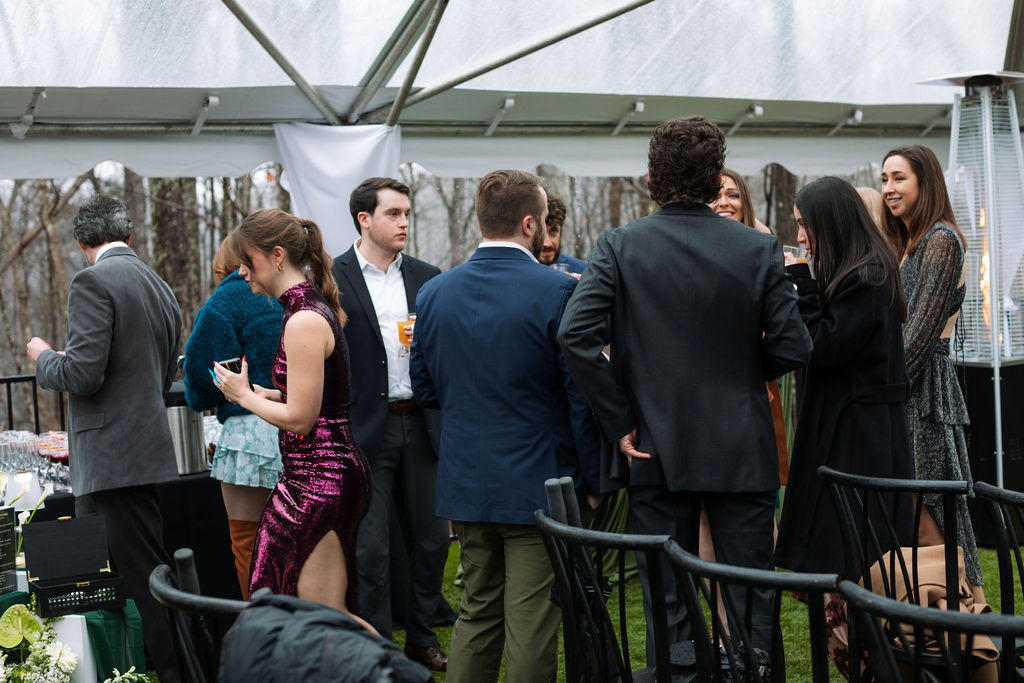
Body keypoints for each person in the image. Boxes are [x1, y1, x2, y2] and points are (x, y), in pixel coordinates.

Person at [558, 116, 812, 663]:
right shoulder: (755, 248)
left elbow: (575, 336)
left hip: (653, 441)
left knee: (668, 604)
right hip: (741, 442)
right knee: (750, 601)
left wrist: (620, 419)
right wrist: (746, 372)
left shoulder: (620, 245)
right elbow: (793, 346)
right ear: (714, 175)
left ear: (653, 175)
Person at [410, 169, 601, 683]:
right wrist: (594, 484)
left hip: (467, 482)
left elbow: (425, 389)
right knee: (532, 619)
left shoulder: (432, 294)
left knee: (477, 609)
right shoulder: (559, 291)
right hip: (539, 483)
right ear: (528, 223)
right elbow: (580, 399)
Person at [26, 194, 183, 683]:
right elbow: (158, 377)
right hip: (146, 452)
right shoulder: (159, 286)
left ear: (80, 243)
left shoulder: (92, 280)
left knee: (136, 583)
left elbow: (83, 372)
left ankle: (182, 672)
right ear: (129, 237)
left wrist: (43, 357)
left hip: (113, 461)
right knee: (146, 576)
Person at [213, 209, 373, 628]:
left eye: (248, 261)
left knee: (325, 619)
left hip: (321, 482)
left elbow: (302, 420)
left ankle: (389, 672)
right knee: (303, 611)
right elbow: (314, 400)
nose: (243, 272)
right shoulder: (302, 310)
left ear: (278, 256)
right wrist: (268, 393)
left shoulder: (303, 319)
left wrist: (244, 396)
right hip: (308, 478)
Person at [330, 177, 449, 671]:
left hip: (422, 424)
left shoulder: (428, 276)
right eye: (394, 214)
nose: (404, 222)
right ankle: (379, 649)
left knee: (432, 539)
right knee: (372, 550)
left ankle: (421, 636)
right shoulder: (333, 276)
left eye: (406, 213)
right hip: (366, 428)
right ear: (365, 219)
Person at [775, 176, 913, 575]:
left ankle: (861, 632)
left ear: (830, 222)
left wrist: (800, 281)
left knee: (856, 547)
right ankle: (850, 629)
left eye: (805, 225)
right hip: (858, 427)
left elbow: (822, 346)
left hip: (859, 435)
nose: (801, 237)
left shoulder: (867, 276)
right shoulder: (862, 270)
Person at [881, 144, 982, 587]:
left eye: (899, 178)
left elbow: (918, 339)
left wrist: (876, 386)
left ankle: (963, 630)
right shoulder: (912, 242)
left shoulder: (941, 239)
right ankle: (934, 632)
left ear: (926, 182)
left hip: (924, 393)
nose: (888, 188)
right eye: (885, 179)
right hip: (909, 391)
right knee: (918, 515)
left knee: (932, 519)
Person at [184, 236, 283, 598]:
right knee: (300, 541)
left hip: (249, 432)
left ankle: (266, 637)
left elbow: (200, 371)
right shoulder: (295, 290)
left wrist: (201, 398)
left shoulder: (224, 301)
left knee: (249, 543)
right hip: (299, 422)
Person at [710, 168, 772, 234]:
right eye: (714, 197)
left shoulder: (765, 242)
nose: (723, 202)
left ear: (745, 201)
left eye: (733, 195)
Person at [538, 194, 587, 273]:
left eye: (553, 231)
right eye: (541, 233)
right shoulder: (517, 273)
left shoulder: (584, 272)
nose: (547, 244)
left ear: (561, 232)